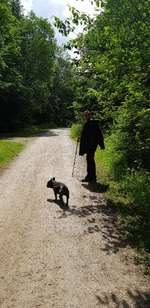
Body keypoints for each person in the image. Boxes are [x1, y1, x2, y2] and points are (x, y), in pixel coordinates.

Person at [79, 110, 105, 183]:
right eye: (85, 115)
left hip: (92, 146)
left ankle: (92, 177)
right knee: (89, 160)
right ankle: (90, 176)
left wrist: (101, 145)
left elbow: (99, 135)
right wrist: (80, 138)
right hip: (88, 145)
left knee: (90, 160)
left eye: (88, 115)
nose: (86, 116)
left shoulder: (94, 123)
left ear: (90, 115)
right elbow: (84, 135)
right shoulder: (87, 124)